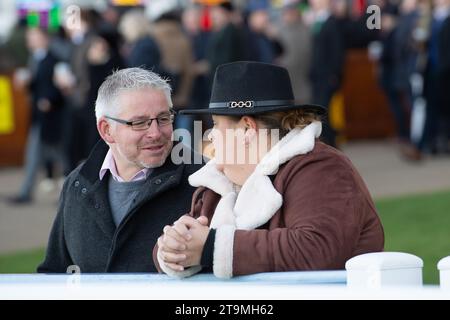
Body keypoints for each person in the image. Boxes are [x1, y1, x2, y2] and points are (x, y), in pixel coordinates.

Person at [154, 61, 384, 278]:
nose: (211, 135)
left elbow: (316, 249)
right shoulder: (220, 182)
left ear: (247, 128)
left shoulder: (323, 168)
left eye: (215, 124)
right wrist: (171, 248)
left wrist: (212, 247)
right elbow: (187, 238)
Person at [37, 68, 203, 273]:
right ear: (106, 130)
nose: (155, 132)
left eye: (163, 118)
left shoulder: (204, 180)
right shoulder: (77, 184)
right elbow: (54, 274)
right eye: (139, 122)